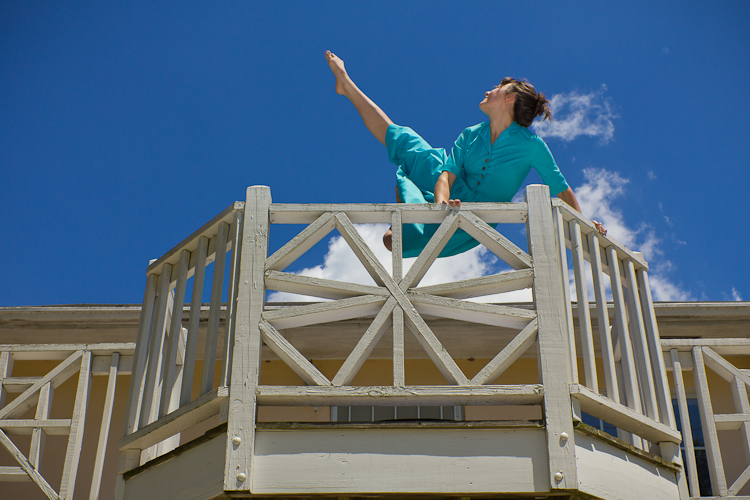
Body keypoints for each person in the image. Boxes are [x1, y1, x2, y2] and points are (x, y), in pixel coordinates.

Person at [325, 50, 606, 258]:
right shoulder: (471, 134)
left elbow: (562, 190)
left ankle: (411, 210)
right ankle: (347, 85)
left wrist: (584, 225)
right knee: (407, 139)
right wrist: (442, 205)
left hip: (476, 217)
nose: (489, 90)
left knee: (391, 242)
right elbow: (446, 177)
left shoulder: (531, 147)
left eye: (497, 88)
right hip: (451, 197)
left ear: (510, 99)